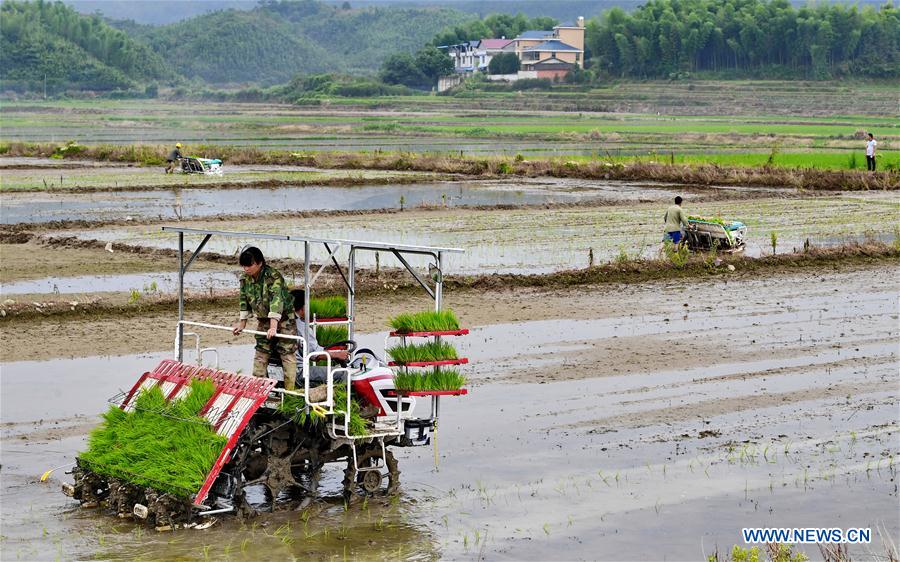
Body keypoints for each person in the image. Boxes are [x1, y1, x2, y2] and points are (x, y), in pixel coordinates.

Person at [231, 247, 297, 389]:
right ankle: (257, 390)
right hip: (263, 320)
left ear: (260, 263)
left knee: (287, 354)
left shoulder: (273, 277)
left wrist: (274, 327)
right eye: (244, 266)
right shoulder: (245, 279)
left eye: (249, 265)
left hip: (284, 320)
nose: (246, 269)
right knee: (261, 352)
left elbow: (276, 301)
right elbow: (244, 301)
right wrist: (242, 324)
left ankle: (290, 392)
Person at [291, 289, 349, 386]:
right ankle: (341, 399)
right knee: (344, 373)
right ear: (303, 308)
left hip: (280, 371)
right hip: (300, 372)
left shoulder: (281, 324)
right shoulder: (302, 328)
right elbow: (316, 355)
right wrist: (337, 354)